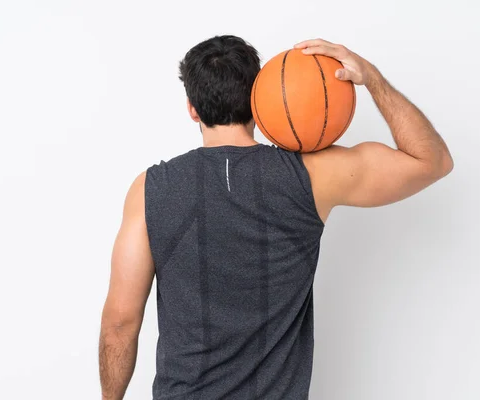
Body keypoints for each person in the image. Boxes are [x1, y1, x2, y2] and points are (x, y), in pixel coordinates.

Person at [98, 35, 453, 400]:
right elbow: (432, 161)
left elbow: (120, 323)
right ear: (257, 97)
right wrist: (372, 78)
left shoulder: (149, 190)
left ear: (192, 108)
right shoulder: (313, 176)